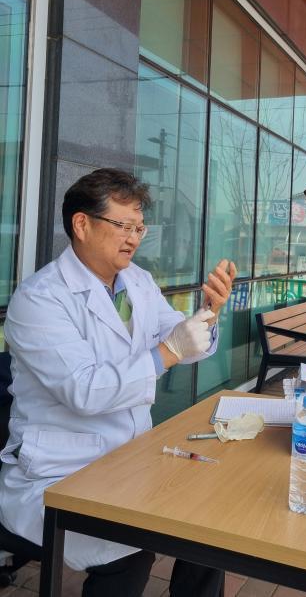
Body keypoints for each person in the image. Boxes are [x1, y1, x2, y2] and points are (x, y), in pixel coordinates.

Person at [0, 168, 237, 597]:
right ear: (82, 224)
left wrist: (208, 313)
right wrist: (168, 352)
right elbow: (84, 390)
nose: (134, 238)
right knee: (128, 548)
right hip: (59, 472)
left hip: (128, 459)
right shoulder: (39, 299)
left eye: (139, 228)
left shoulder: (136, 283)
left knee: (208, 515)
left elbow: (176, 335)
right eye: (123, 226)